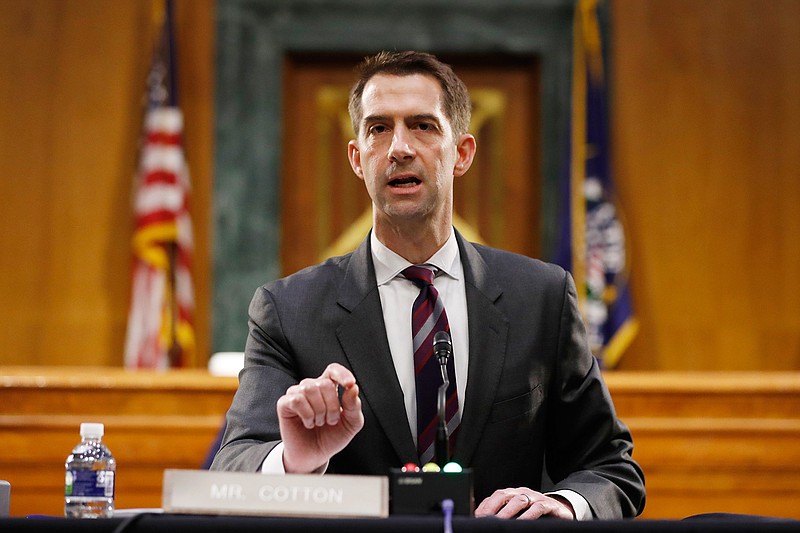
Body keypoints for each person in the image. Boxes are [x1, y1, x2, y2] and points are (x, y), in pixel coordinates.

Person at [211, 50, 645, 520]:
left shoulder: (540, 298)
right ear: (357, 158)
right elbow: (230, 472)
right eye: (379, 128)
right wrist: (297, 461)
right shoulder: (288, 310)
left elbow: (610, 468)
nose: (399, 147)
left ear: (462, 153)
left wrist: (562, 504)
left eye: (423, 125)